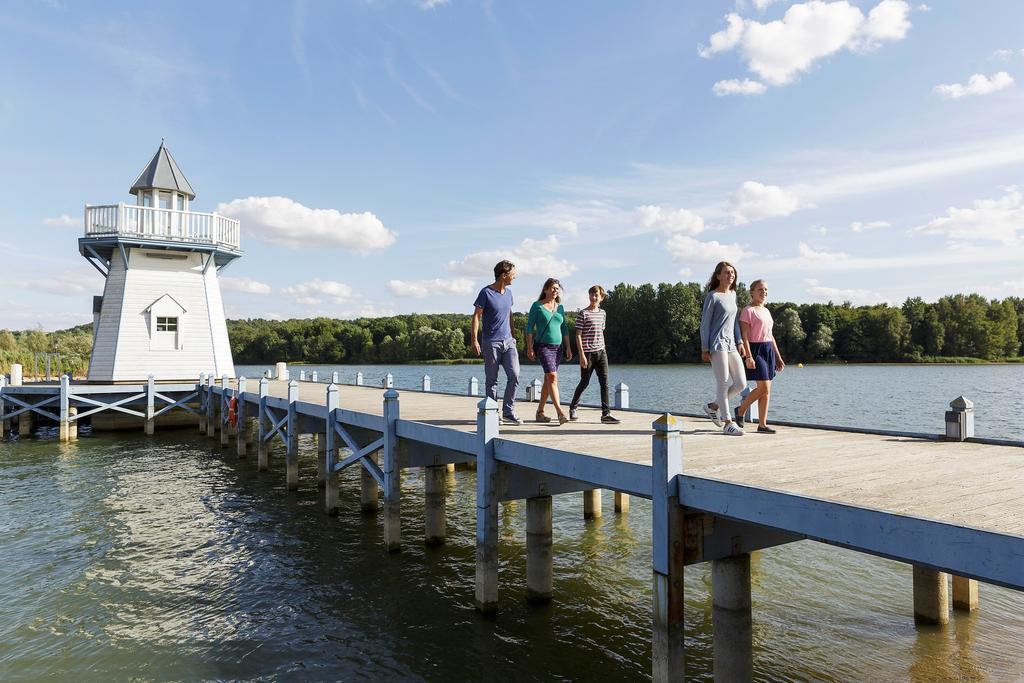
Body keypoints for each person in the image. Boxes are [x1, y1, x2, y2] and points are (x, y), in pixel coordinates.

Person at [699, 261, 747, 436]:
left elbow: (734, 322)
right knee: (723, 381)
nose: (730, 275)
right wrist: (704, 348)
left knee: (741, 383)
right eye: (727, 273)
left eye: (732, 273)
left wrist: (740, 341)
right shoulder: (712, 297)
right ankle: (728, 422)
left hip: (732, 344)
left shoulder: (733, 295)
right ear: (718, 276)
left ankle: (714, 407)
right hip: (717, 343)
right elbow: (705, 324)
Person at [472, 260, 521, 425]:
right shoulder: (485, 293)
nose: (515, 276)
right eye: (513, 273)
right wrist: (474, 340)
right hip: (491, 342)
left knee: (514, 374)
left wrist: (513, 336)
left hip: (509, 342)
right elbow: (476, 316)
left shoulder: (509, 293)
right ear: (504, 274)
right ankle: (493, 413)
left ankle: (508, 411)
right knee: (492, 379)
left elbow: (509, 314)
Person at [734, 279, 785, 433]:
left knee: (767, 390)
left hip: (768, 348)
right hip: (755, 349)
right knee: (763, 387)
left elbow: (770, 335)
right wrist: (748, 356)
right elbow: (744, 335)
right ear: (752, 292)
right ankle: (741, 410)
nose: (764, 292)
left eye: (766, 290)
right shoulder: (748, 311)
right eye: (760, 290)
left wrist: (778, 356)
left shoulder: (767, 311)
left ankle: (762, 424)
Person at [568, 285, 620, 424]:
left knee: (605, 383)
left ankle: (606, 414)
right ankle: (573, 407)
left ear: (601, 298)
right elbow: (578, 335)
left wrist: (602, 349)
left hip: (601, 352)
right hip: (588, 353)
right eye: (591, 294)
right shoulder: (583, 314)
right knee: (584, 382)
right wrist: (582, 355)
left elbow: (600, 331)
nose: (593, 297)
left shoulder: (603, 313)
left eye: (596, 295)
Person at [526, 278, 573, 424]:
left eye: (557, 288)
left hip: (558, 347)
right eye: (552, 288)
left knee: (548, 379)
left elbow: (564, 328)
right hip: (543, 346)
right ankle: (560, 412)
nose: (555, 290)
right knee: (552, 376)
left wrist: (569, 347)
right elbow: (529, 328)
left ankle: (540, 412)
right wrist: (529, 347)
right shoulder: (537, 306)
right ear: (545, 289)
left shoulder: (560, 308)